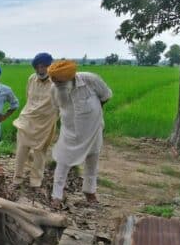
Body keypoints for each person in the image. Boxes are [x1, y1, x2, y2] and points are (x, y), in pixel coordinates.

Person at [47, 60, 112, 209]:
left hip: (92, 131)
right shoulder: (54, 89)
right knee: (63, 162)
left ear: (70, 77)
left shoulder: (90, 80)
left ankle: (90, 193)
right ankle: (56, 196)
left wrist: (93, 116)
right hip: (69, 132)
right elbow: (56, 107)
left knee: (92, 161)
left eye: (59, 80)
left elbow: (106, 96)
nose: (55, 83)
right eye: (53, 80)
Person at [13, 52, 58, 189]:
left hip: (45, 123)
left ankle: (35, 181)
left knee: (39, 153)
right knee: (21, 150)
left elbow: (61, 103)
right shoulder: (32, 79)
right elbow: (28, 98)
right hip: (27, 119)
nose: (41, 70)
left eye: (44, 66)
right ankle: (17, 178)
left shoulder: (57, 83)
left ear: (50, 67)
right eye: (38, 67)